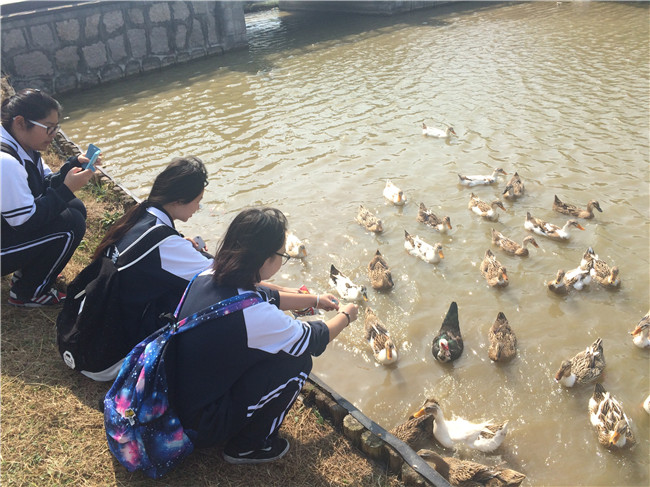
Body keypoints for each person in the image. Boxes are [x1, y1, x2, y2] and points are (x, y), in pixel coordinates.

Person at [167, 207, 358, 465]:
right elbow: (312, 339)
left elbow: (264, 294)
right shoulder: (252, 315)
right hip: (200, 425)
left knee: (275, 349)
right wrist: (346, 316)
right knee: (297, 361)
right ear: (265, 259)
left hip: (177, 398)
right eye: (282, 255)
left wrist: (314, 300)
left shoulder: (208, 275)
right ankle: (249, 446)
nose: (282, 260)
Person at [88, 156, 212, 380]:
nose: (198, 208)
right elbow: (225, 275)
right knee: (204, 294)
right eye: (198, 201)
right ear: (179, 200)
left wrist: (181, 244)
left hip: (90, 340)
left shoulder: (141, 217)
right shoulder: (165, 243)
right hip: (107, 359)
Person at [1, 88, 95, 306]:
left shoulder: (23, 145)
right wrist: (66, 189)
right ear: (20, 122)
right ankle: (27, 293)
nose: (53, 134)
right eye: (49, 128)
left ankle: (33, 272)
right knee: (70, 224)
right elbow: (26, 222)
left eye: (56, 128)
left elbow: (43, 185)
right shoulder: (5, 162)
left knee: (74, 206)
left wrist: (72, 165)